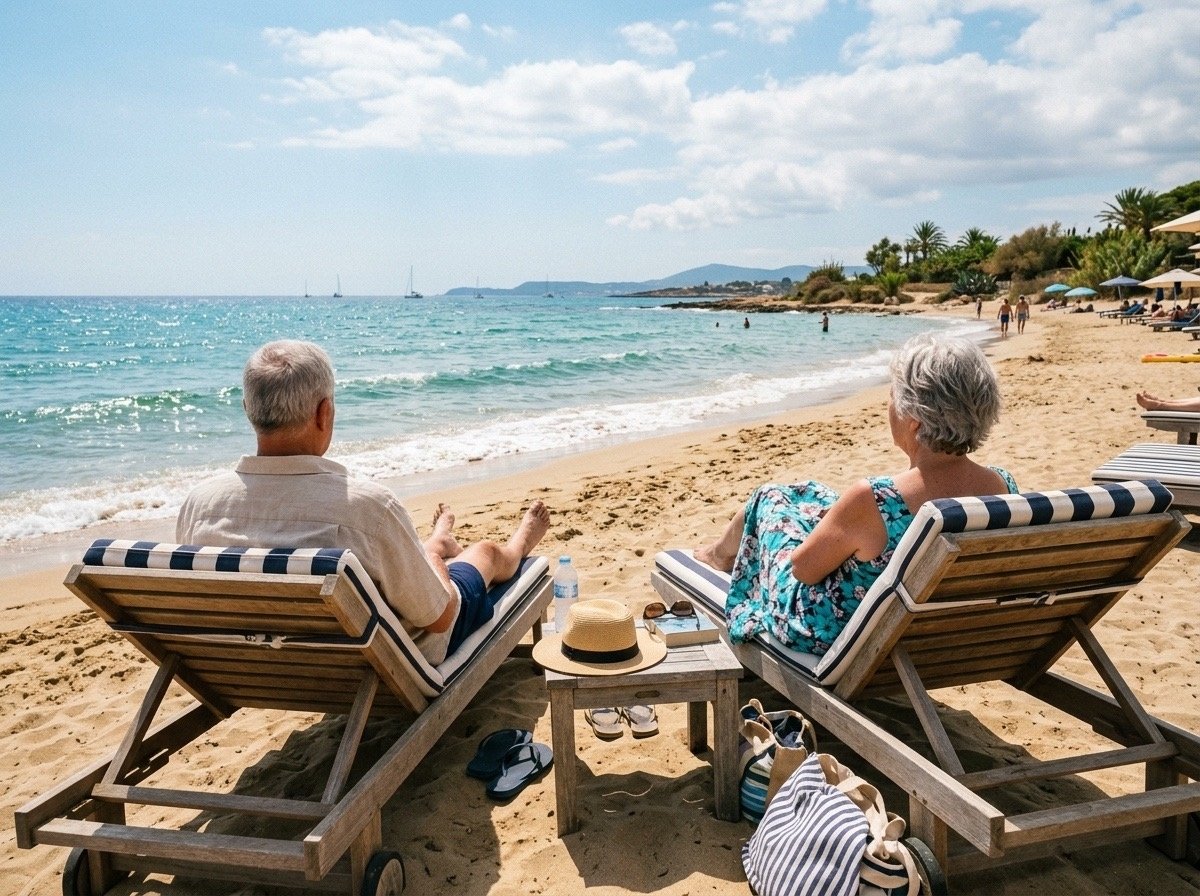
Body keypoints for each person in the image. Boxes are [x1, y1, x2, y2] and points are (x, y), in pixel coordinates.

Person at [176, 339, 551, 666]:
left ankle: (437, 542)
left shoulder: (200, 505)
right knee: (483, 553)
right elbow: (439, 617)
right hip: (384, 661)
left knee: (404, 559)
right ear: (324, 413)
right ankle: (515, 546)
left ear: (248, 409)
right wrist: (437, 566)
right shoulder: (367, 509)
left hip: (260, 667)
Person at [694, 333, 1016, 657]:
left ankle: (719, 555)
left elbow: (803, 570)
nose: (889, 405)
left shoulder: (877, 499)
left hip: (838, 631)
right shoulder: (1002, 489)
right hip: (940, 632)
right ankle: (724, 549)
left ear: (914, 420)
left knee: (769, 498)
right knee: (813, 495)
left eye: (893, 396)